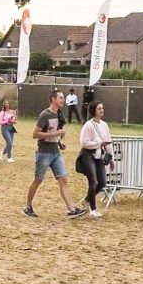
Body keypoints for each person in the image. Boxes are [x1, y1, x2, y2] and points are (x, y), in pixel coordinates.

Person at [24, 89, 87, 219]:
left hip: (56, 153)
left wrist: (59, 142)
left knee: (63, 179)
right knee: (38, 180)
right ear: (53, 99)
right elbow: (35, 134)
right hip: (44, 153)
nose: (63, 100)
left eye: (63, 98)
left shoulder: (59, 114)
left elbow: (58, 131)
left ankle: (72, 209)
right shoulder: (44, 115)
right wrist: (55, 134)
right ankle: (28, 206)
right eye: (60, 98)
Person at [77, 101, 115, 218]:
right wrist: (99, 144)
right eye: (99, 108)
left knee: (102, 182)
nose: (102, 110)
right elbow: (84, 142)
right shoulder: (88, 125)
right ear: (93, 110)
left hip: (99, 156)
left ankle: (87, 199)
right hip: (88, 155)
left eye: (102, 108)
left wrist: (111, 156)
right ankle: (93, 208)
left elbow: (108, 141)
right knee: (93, 181)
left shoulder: (104, 125)